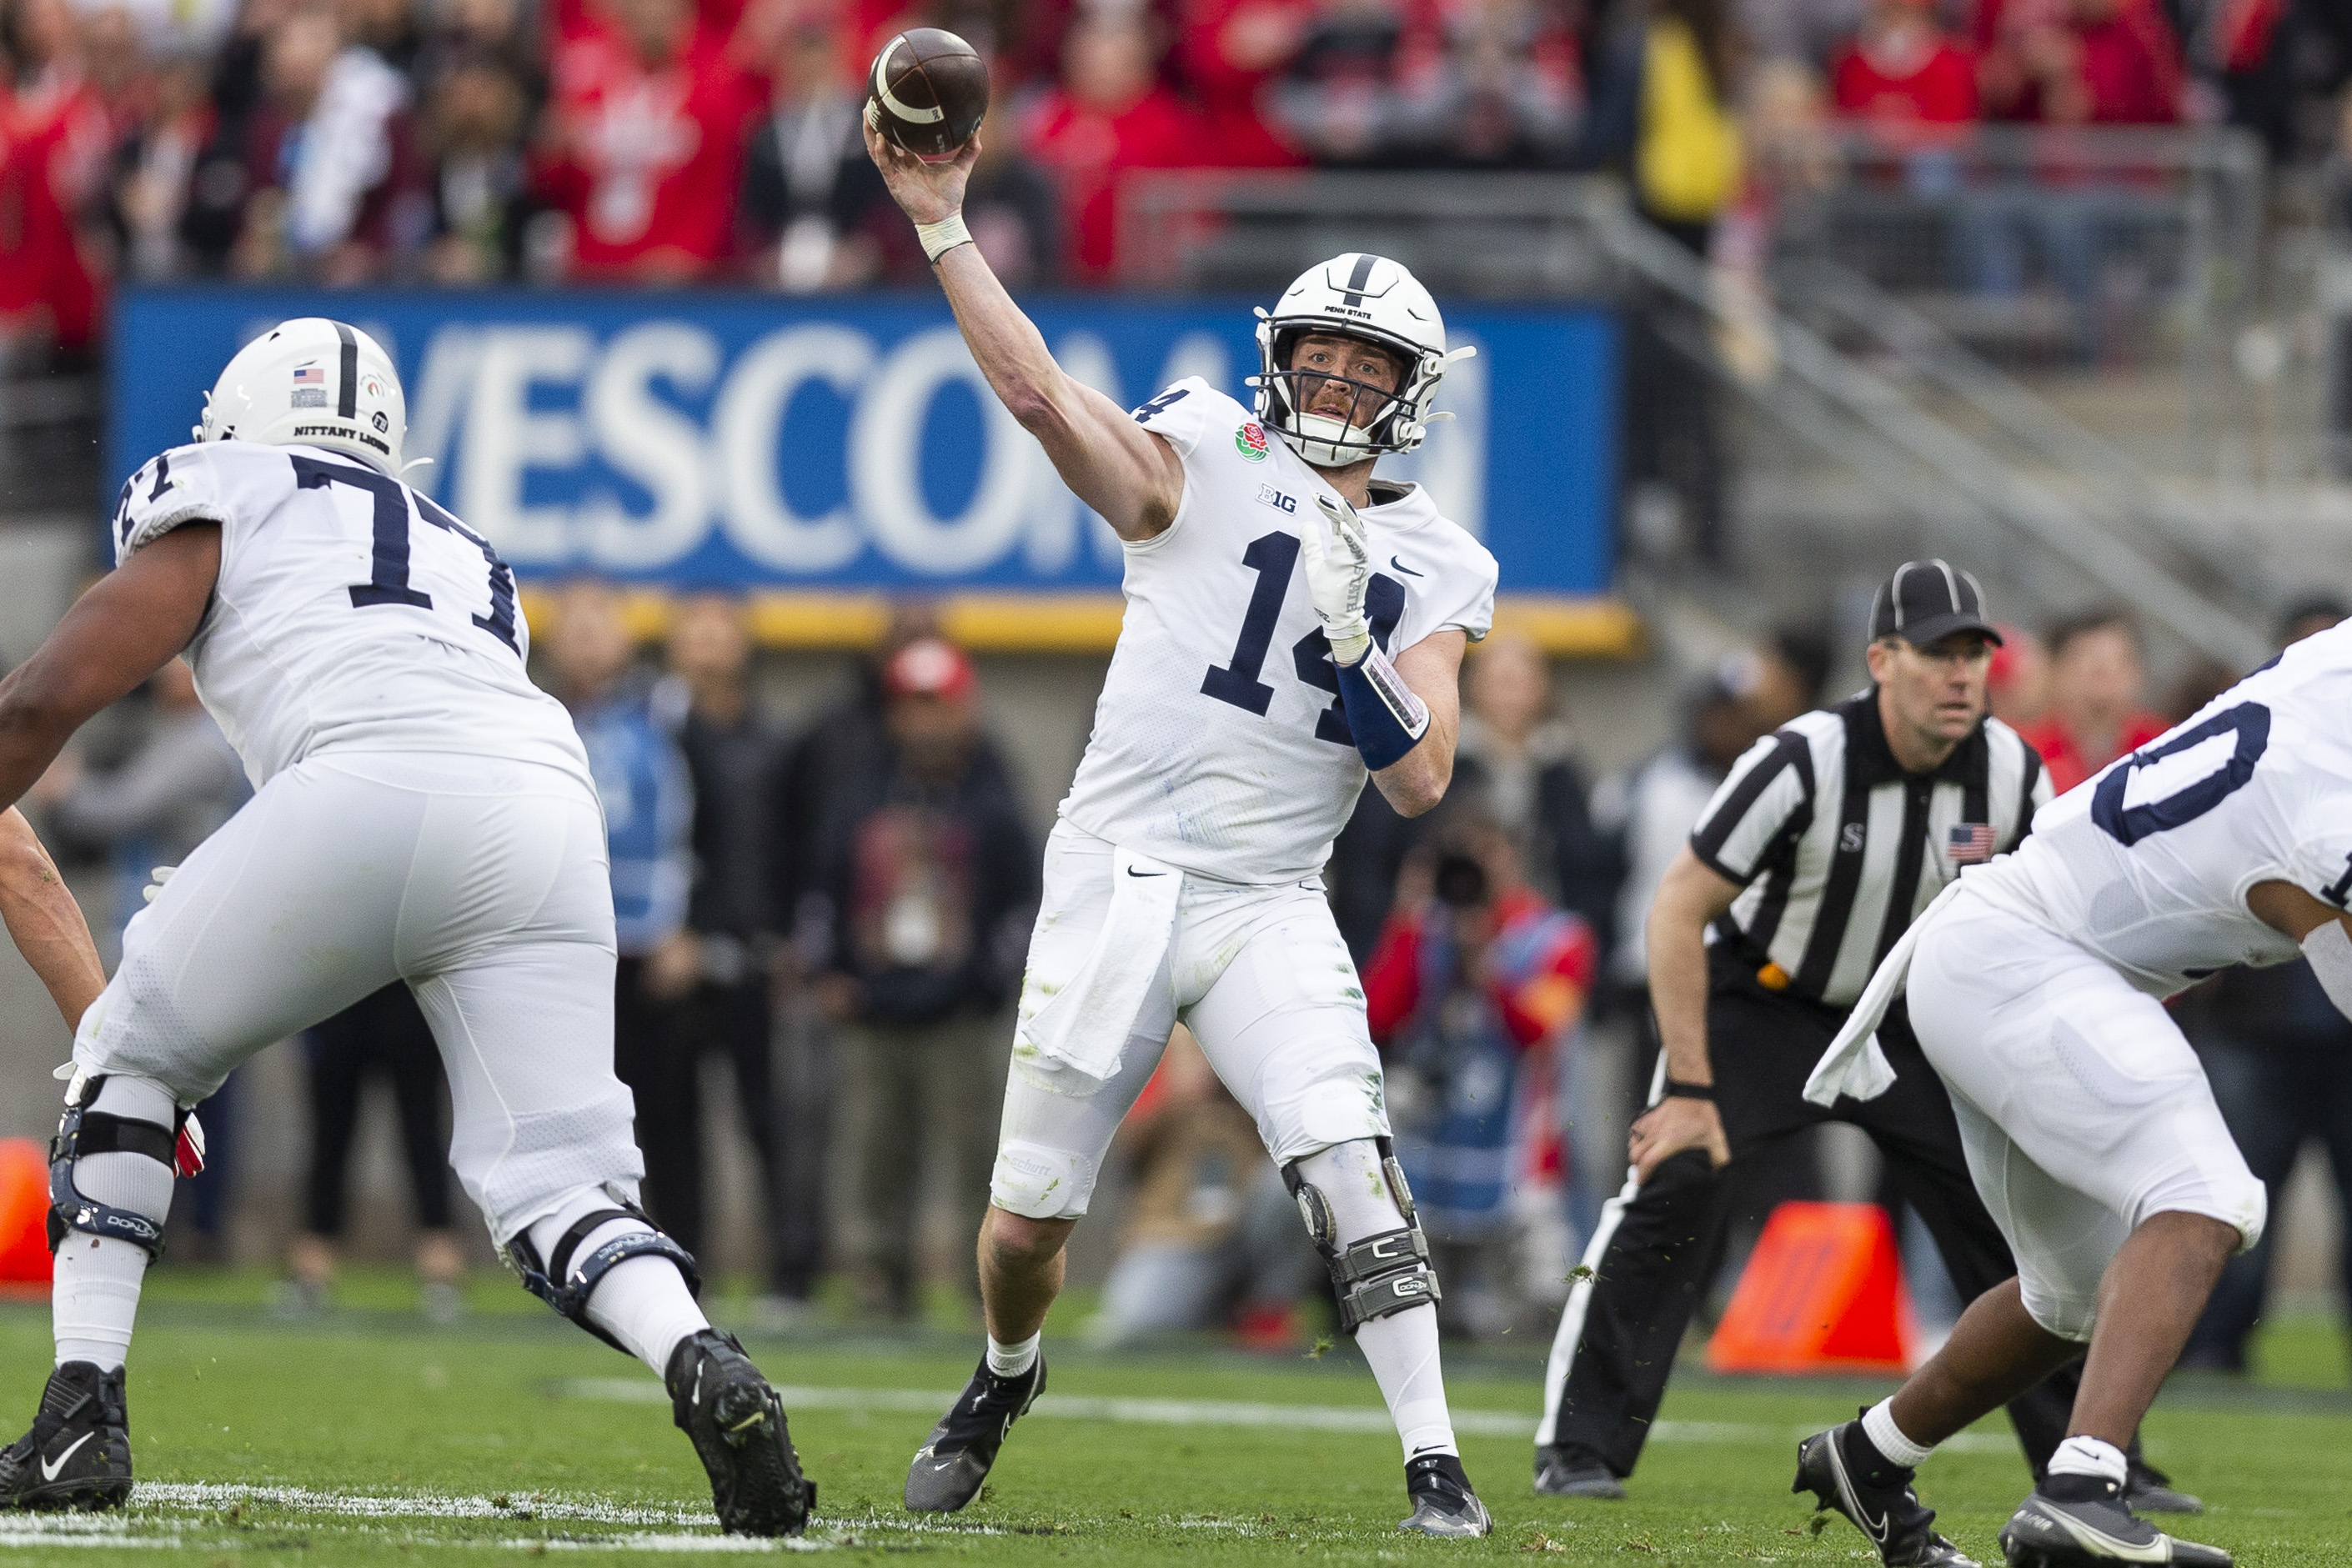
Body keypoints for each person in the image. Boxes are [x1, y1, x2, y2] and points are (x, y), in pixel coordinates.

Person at [0, 319, 809, 1531]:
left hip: (369, 783)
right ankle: (701, 1357)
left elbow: (47, 697)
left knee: (128, 1056)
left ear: (240, 418)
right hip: (545, 797)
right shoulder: (465, 549)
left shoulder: (226, 488)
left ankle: (81, 1414)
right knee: (556, 1179)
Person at [869, 107, 1499, 1533]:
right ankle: (1004, 1367)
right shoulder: (1205, 443)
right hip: (1121, 872)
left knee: (1352, 1167)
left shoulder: (1445, 562)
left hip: (1269, 895)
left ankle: (1435, 1462)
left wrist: (1356, 655)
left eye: (1365, 365)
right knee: (1028, 1225)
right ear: (1277, 356)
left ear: (1413, 390)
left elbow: (1419, 780)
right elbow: (1040, 399)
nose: (1335, 381)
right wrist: (944, 225)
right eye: (1319, 355)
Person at [1533, 562, 2193, 1533]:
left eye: (1974, 653)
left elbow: (2051, 923)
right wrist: (1688, 1085)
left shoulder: (2012, 770)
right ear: (1881, 661)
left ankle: (2097, 1460)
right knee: (1678, 1180)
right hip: (1766, 1002)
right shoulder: (1801, 759)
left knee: (2022, 1224)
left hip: (1914, 1016)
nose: (1960, 674)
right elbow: (1678, 908)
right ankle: (1580, 1446)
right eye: (1937, 654)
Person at [1791, 608, 2345, 1568]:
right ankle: (2083, 1488)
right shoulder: (2322, 813)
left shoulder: (2324, 684)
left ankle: (1867, 1457)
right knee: (2206, 1197)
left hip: (1997, 956)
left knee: (2073, 1296)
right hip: (2027, 962)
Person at [812, 637, 1036, 1320]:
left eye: (939, 705)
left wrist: (988, 982)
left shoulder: (993, 797)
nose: (926, 721)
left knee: (974, 1156)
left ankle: (982, 1289)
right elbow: (822, 886)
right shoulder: (860, 792)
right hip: (874, 1008)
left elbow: (1023, 903)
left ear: (964, 708)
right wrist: (829, 971)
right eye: (913, 706)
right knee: (873, 1150)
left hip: (959, 1012)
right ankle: (878, 1280)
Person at [2175, 595, 2352, 1374]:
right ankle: (2211, 1353)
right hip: (2255, 1027)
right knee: (2232, 1206)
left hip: (2340, 1032)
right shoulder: (2247, 758)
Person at [1367, 814, 1597, 1337]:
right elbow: (1375, 1018)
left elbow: (1542, 1030)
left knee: (1539, 1316)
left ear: (1514, 856)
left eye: (1486, 856)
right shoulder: (1425, 929)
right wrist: (1408, 918)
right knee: (1422, 1320)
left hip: (1522, 1157)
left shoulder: (1557, 937)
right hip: (1428, 1147)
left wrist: (1486, 963)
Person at [544, 581, 706, 1261]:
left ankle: (684, 1252)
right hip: (563, 942)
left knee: (665, 1111)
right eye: (571, 623)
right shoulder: (531, 713)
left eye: (599, 621)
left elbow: (706, 824)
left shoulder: (667, 714)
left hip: (651, 938)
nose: (585, 636)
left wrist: (691, 923)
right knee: (567, 1110)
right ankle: (581, 1253)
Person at [663, 592, 790, 1301]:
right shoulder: (653, 734)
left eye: (721, 628)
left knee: (768, 1118)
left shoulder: (771, 741)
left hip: (752, 957)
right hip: (668, 960)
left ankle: (789, 1270)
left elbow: (781, 849)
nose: (708, 642)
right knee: (670, 1125)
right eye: (694, 628)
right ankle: (681, 1264)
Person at [1085, 1027, 1315, 1347]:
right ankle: (1218, 1310)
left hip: (1250, 1219)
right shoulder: (1168, 1040)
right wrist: (1178, 1095)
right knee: (1135, 1324)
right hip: (1180, 1229)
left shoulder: (1265, 1040)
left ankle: (1267, 1311)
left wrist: (1244, 1091)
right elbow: (1129, 1151)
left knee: (1287, 1189)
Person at [285, 984, 468, 1321]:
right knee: (330, 1139)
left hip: (405, 993)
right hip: (342, 992)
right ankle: (312, 1271)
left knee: (423, 1136)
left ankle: (441, 1272)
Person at [2013, 610, 2168, 796]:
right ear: (2057, 672)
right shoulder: (2023, 753)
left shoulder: (2165, 746)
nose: (2104, 673)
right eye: (2087, 661)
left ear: (2139, 672)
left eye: (2118, 661)